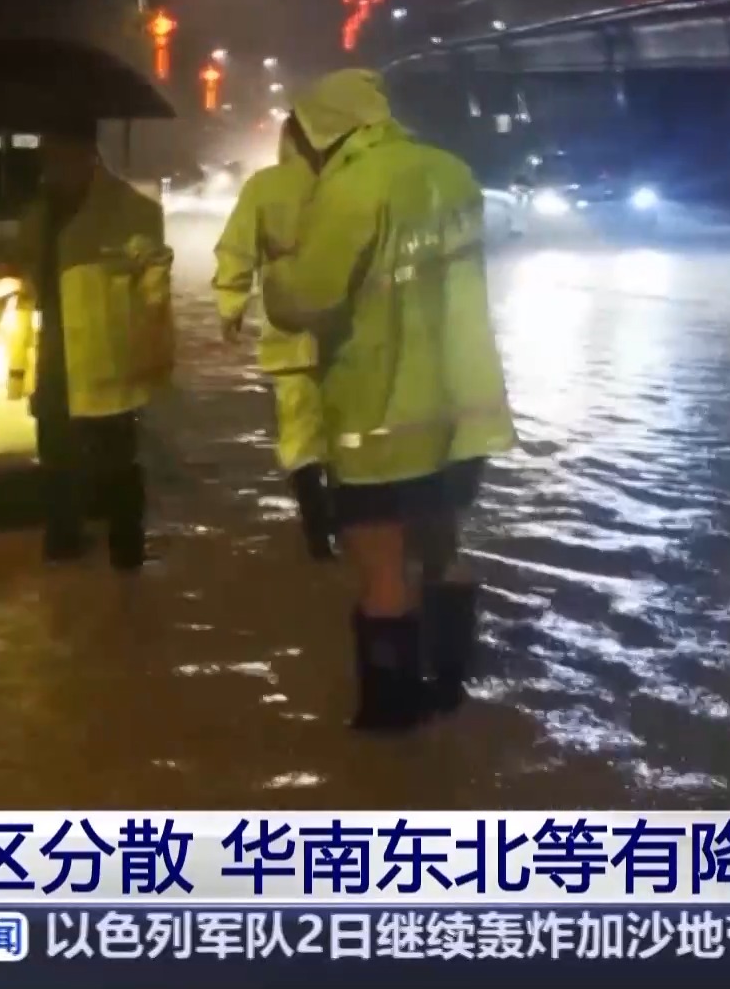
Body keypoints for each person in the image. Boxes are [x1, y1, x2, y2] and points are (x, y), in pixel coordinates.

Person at [262, 70, 517, 733]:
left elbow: (306, 301)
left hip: (379, 413)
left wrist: (279, 266)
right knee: (442, 542)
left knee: (380, 565)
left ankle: (392, 718)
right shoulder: (453, 173)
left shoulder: (351, 188)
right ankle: (452, 684)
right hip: (460, 408)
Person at [0, 121, 175, 570]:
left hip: (106, 352)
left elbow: (154, 278)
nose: (49, 163)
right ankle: (63, 542)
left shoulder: (131, 209)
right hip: (51, 350)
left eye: (56, 152)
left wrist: (149, 341)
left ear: (85, 152)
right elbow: (23, 259)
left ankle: (126, 549)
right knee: (56, 453)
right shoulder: (41, 210)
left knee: (116, 458)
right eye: (45, 155)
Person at [211, 118, 336, 562]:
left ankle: (319, 539)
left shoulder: (265, 187)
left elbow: (236, 250)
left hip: (290, 340)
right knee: (349, 438)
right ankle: (355, 532)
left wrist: (230, 306)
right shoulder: (353, 185)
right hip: (352, 342)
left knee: (301, 440)